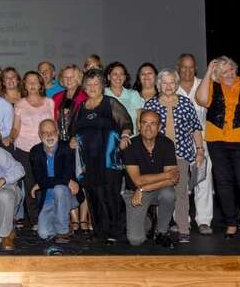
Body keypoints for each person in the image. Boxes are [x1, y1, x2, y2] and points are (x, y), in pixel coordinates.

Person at [196, 56, 240, 243]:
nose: (230, 74)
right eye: (224, 71)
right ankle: (231, 223)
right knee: (223, 183)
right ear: (217, 74)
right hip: (216, 140)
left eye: (232, 70)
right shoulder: (212, 85)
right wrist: (209, 72)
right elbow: (201, 99)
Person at [142, 69, 204, 243]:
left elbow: (195, 128)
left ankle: (184, 229)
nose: (168, 86)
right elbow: (145, 133)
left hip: (181, 155)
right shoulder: (151, 105)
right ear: (158, 85)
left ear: (176, 85)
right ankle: (160, 229)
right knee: (159, 193)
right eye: (164, 83)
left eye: (171, 83)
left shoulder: (185, 103)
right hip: (157, 157)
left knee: (181, 192)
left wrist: (200, 149)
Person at [72, 68, 133, 244]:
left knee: (111, 195)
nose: (92, 87)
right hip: (88, 161)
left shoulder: (110, 103)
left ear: (102, 85)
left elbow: (126, 123)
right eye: (88, 84)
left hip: (108, 159)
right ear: (84, 87)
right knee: (93, 196)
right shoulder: (80, 108)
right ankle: (99, 232)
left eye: (96, 84)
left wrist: (125, 135)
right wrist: (72, 141)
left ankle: (117, 232)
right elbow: (72, 132)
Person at [122, 110, 178, 248]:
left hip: (150, 190)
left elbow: (173, 180)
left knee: (169, 194)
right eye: (144, 123)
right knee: (136, 240)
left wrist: (143, 188)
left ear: (159, 127)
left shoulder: (167, 144)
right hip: (134, 193)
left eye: (153, 124)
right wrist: (165, 175)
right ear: (139, 126)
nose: (148, 127)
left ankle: (162, 232)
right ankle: (147, 220)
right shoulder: (130, 145)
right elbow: (138, 181)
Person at [10, 71, 55, 228]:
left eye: (35, 81)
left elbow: (53, 126)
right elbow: (15, 128)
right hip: (24, 150)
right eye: (29, 82)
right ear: (25, 85)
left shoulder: (50, 102)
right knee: (29, 186)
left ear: (41, 84)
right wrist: (9, 138)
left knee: (45, 184)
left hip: (45, 149)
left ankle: (47, 217)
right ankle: (35, 220)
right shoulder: (20, 104)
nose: (32, 85)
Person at [176, 53, 214, 235]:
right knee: (180, 181)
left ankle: (204, 220)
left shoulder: (204, 84)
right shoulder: (171, 86)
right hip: (179, 142)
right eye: (184, 67)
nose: (187, 71)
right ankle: (182, 219)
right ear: (178, 68)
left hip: (202, 140)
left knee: (203, 180)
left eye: (191, 67)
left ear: (196, 68)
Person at [52, 64, 90, 234]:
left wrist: (79, 138)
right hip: (62, 144)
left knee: (83, 181)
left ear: (79, 78)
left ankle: (83, 218)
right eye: (65, 77)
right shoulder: (57, 97)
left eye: (72, 77)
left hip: (81, 144)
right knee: (67, 180)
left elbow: (89, 122)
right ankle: (73, 218)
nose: (68, 80)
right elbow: (53, 121)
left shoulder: (85, 96)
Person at [29, 120, 78, 243]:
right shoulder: (35, 151)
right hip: (48, 200)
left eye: (52, 132)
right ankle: (63, 224)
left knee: (59, 189)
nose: (50, 135)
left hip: (67, 197)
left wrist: (64, 181)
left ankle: (63, 232)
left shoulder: (67, 148)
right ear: (40, 135)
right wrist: (66, 181)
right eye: (45, 133)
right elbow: (41, 180)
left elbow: (67, 174)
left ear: (58, 132)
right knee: (43, 233)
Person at [104, 62, 145, 133]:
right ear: (108, 77)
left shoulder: (133, 94)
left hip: (131, 140)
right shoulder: (102, 94)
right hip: (109, 140)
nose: (118, 77)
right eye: (115, 74)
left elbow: (140, 121)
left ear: (125, 77)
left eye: (121, 74)